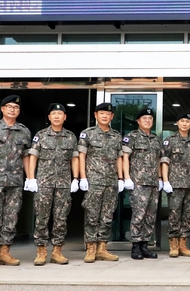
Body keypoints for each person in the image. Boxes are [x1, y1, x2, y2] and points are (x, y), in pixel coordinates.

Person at [0, 95, 32, 267]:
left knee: (11, 217)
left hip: (16, 181)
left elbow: (25, 156)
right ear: (2, 109)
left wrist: (30, 178)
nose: (12, 110)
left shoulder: (24, 131)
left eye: (15, 107)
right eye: (9, 107)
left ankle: (5, 252)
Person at [27, 103, 79, 266]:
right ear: (49, 117)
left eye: (60, 113)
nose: (57, 116)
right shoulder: (41, 135)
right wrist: (31, 178)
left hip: (63, 184)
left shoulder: (71, 136)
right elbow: (33, 157)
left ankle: (57, 251)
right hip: (44, 182)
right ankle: (41, 251)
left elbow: (74, 159)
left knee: (61, 219)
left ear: (65, 117)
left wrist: (76, 178)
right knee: (42, 217)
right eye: (53, 114)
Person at [78, 102, 123, 263]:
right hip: (93, 181)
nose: (105, 116)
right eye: (101, 113)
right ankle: (90, 248)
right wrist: (82, 177)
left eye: (108, 114)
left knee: (107, 216)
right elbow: (81, 156)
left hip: (110, 181)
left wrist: (120, 178)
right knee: (92, 215)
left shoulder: (116, 136)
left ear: (112, 117)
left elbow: (119, 158)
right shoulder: (87, 134)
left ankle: (102, 248)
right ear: (95, 115)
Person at [160, 112, 190, 258]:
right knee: (174, 214)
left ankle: (183, 244)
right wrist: (165, 181)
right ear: (177, 123)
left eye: (188, 121)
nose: (185, 123)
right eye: (182, 121)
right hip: (175, 184)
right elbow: (165, 162)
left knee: (187, 215)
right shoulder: (169, 141)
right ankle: (173, 245)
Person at [122, 108, 162, 260]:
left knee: (150, 216)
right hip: (138, 182)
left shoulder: (156, 139)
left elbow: (158, 160)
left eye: (150, 118)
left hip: (153, 183)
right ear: (138, 121)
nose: (147, 121)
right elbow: (125, 157)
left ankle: (145, 245)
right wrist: (126, 178)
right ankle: (135, 246)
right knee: (138, 215)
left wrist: (160, 178)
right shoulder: (131, 137)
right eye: (144, 118)